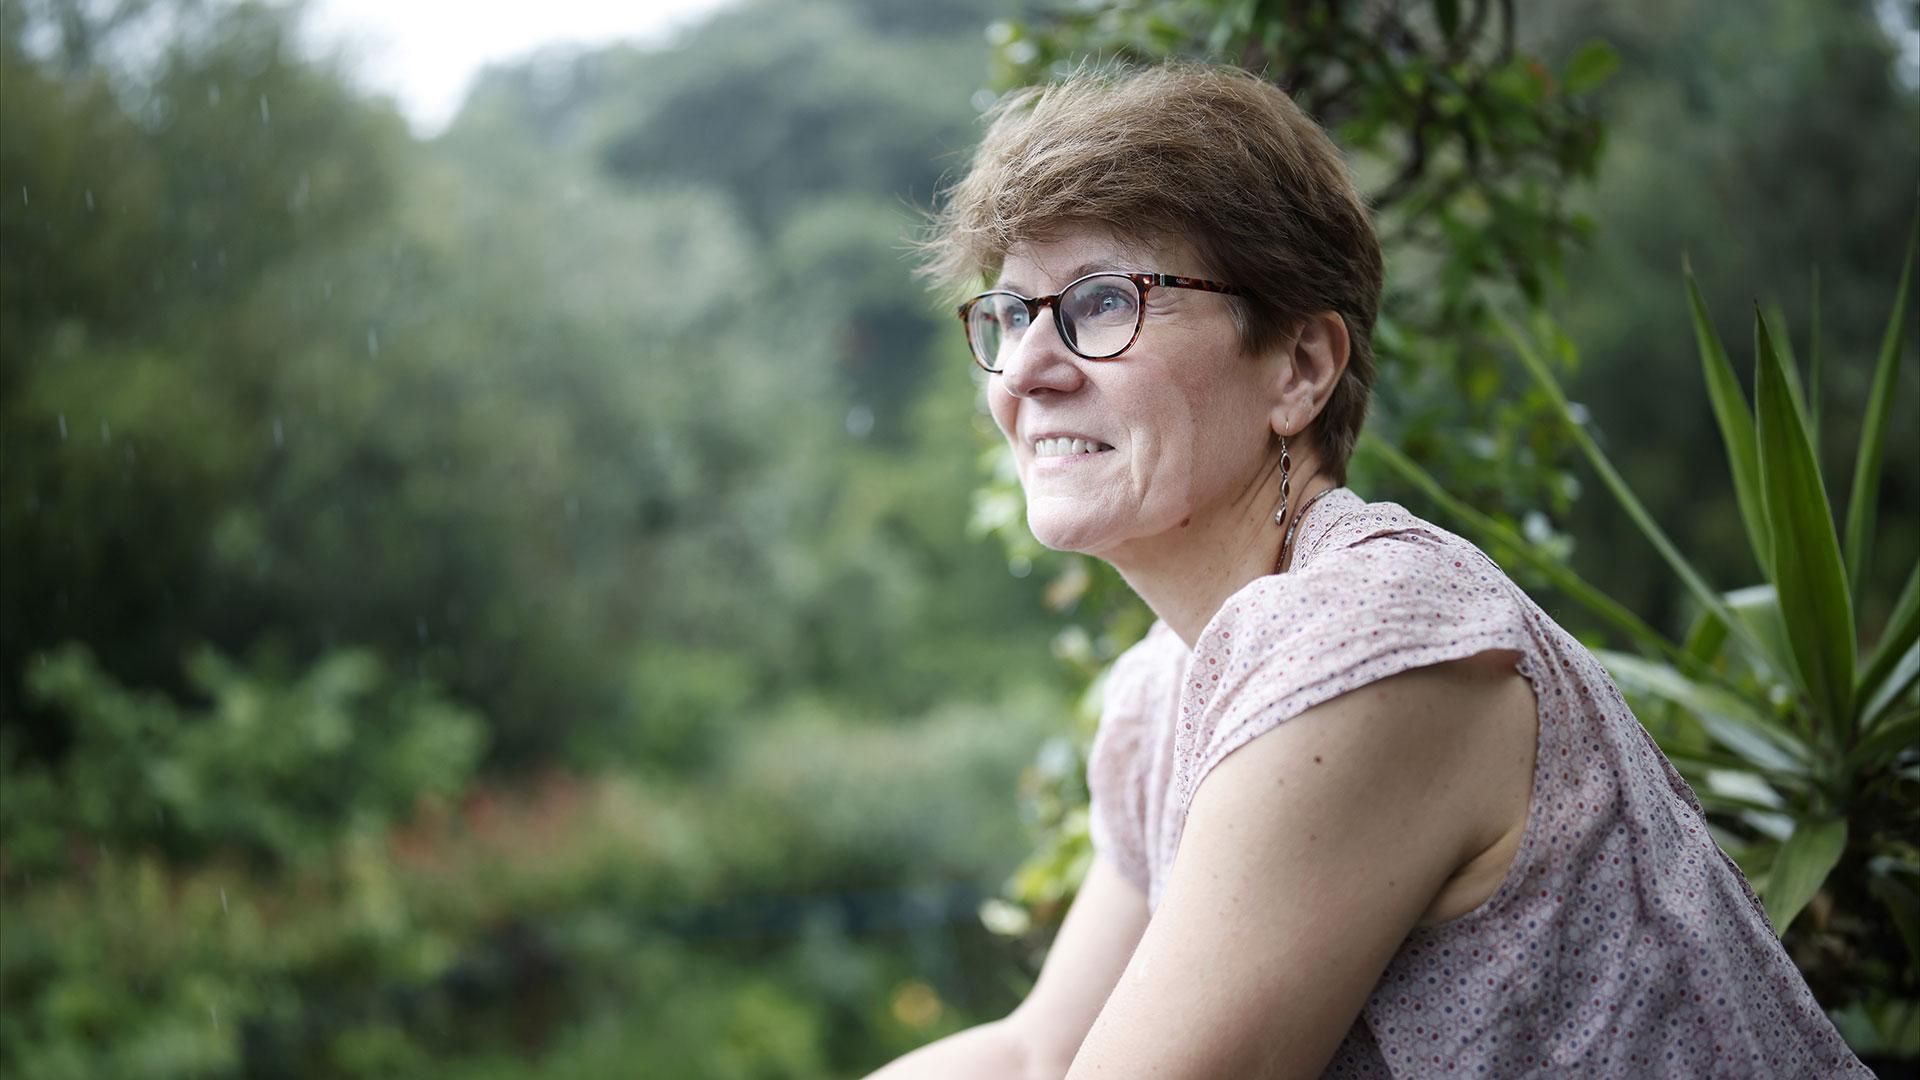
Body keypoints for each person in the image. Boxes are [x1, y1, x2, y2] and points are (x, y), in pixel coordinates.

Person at [865, 63, 1865, 1079]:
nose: (1029, 368)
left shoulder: (1373, 636)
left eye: (1103, 302)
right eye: (1010, 313)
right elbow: (1040, 1052)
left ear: (1300, 367)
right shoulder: (1164, 693)